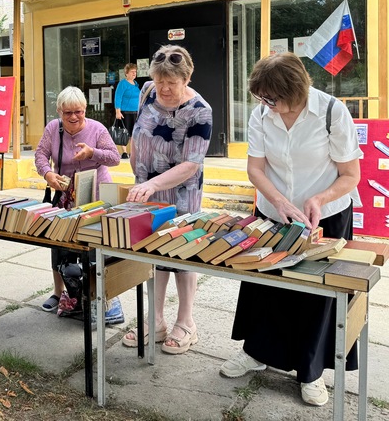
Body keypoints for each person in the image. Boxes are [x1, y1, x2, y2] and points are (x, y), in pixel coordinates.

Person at [220, 52, 361, 407]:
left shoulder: (331, 113)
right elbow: (256, 169)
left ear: (296, 91)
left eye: (273, 98)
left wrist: (319, 197)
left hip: (324, 216)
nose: (268, 105)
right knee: (265, 287)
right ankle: (256, 352)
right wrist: (280, 201)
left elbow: (350, 176)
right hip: (274, 211)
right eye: (262, 98)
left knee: (317, 295)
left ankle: (311, 371)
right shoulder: (261, 115)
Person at [123, 45, 212, 354]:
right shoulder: (147, 90)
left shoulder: (200, 110)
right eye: (160, 81)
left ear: (186, 78)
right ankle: (155, 320)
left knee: (182, 253)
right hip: (145, 187)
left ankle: (186, 322)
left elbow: (191, 163)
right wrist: (135, 165)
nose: (164, 88)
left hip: (181, 192)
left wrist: (153, 184)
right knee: (151, 252)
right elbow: (138, 130)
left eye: (172, 83)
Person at [35, 87, 123, 322]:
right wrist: (48, 175)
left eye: (79, 112)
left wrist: (91, 152)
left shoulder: (97, 129)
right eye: (67, 113)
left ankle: (97, 295)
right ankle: (60, 292)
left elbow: (115, 157)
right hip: (65, 198)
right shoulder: (53, 129)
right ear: (59, 112)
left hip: (95, 198)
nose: (73, 117)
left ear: (85, 110)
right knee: (59, 245)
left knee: (92, 248)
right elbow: (41, 154)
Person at [114, 63, 140, 159]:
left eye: (135, 72)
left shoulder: (136, 84)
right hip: (125, 112)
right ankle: (124, 152)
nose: (134, 74)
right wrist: (118, 111)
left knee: (134, 133)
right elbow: (118, 97)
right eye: (132, 72)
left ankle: (132, 152)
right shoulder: (123, 84)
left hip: (135, 112)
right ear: (127, 73)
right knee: (124, 133)